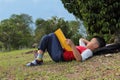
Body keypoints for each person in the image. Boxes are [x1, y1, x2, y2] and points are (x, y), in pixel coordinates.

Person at [26, 33, 106, 66]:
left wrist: (72, 45)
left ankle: (38, 59)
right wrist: (90, 43)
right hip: (60, 52)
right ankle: (39, 58)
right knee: (47, 37)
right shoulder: (84, 48)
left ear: (95, 45)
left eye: (91, 41)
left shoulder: (88, 51)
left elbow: (79, 59)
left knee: (52, 35)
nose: (88, 42)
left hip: (60, 56)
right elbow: (81, 39)